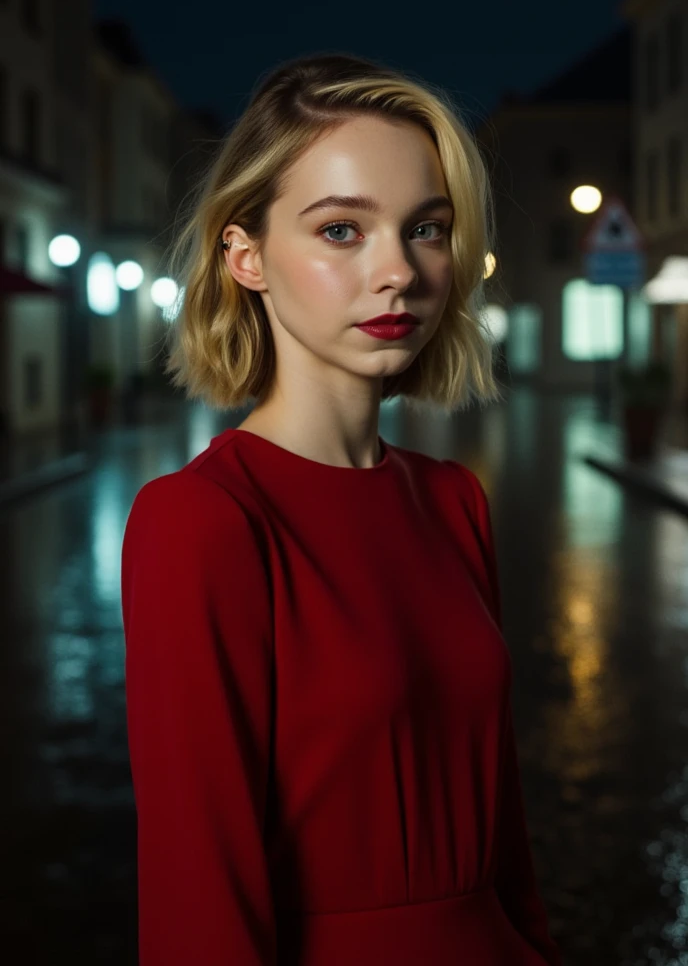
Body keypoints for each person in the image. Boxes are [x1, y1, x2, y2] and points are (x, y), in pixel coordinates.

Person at [120, 52, 562, 966]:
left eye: (426, 228)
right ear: (246, 258)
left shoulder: (451, 501)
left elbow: (504, 834)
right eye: (340, 231)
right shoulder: (200, 522)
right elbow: (196, 892)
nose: (398, 270)